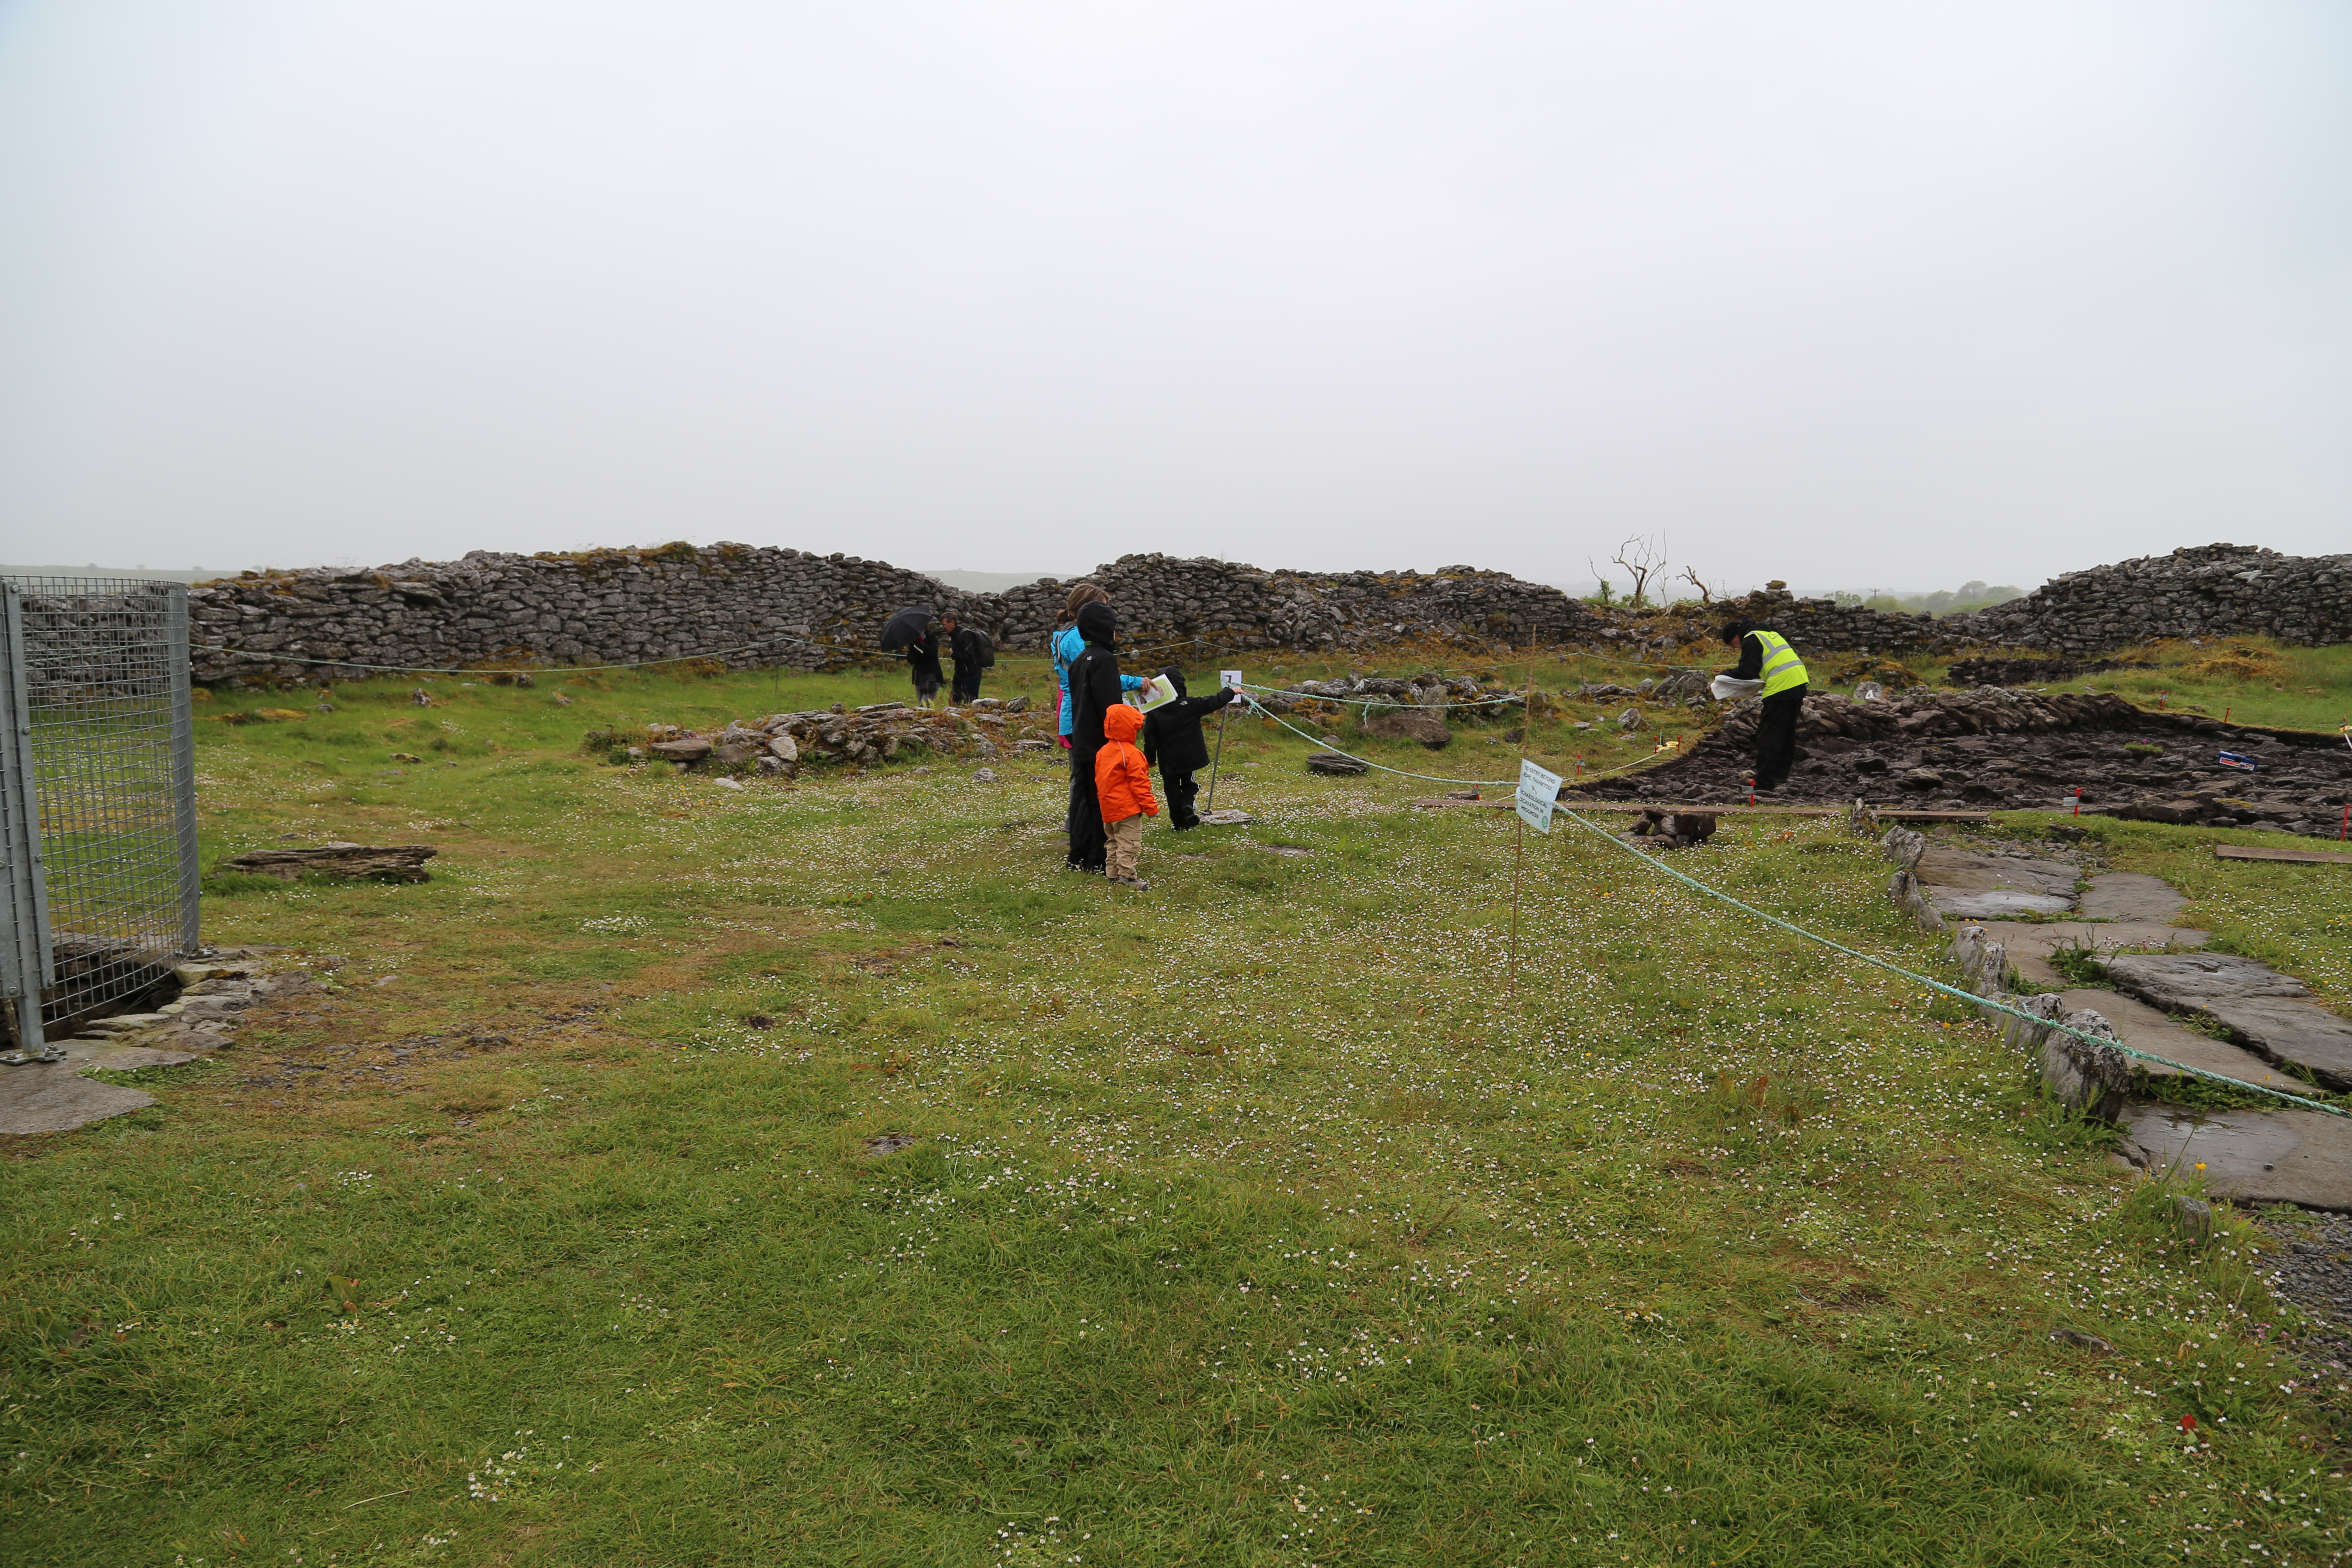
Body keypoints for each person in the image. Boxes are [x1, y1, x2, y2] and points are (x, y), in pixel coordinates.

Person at [1064, 600, 1129, 872]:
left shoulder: (1080, 660)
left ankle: (1077, 855)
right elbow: (1110, 707)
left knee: (1086, 802)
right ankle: (1098, 859)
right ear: (1105, 629)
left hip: (1082, 739)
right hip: (1101, 743)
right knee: (1102, 802)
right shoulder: (1104, 659)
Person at [1139, 666, 1240, 830]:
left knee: (1171, 790)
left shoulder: (1154, 712)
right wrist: (1231, 692)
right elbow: (1213, 701)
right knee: (1190, 784)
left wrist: (1150, 759)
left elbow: (1150, 738)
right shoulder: (1190, 704)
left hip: (1168, 760)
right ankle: (1187, 804)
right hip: (1190, 756)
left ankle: (1179, 824)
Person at [1718, 618, 1810, 791]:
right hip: (1798, 682)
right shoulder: (1770, 634)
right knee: (1786, 732)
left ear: (1736, 636)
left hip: (1782, 687)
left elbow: (1747, 672)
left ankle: (1763, 782)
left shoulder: (1751, 638)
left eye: (1731, 643)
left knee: (1768, 734)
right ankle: (1779, 775)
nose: (1733, 647)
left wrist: (1723, 677)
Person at [1094, 702, 1159, 888]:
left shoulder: (1103, 752)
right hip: (1127, 809)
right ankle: (1128, 877)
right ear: (1129, 727)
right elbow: (1140, 784)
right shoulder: (1131, 753)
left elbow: (1099, 780)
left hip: (1108, 809)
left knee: (1113, 842)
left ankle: (1112, 874)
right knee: (1129, 844)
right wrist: (1151, 808)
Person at [943, 611, 989, 705]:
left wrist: (954, 654)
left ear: (952, 623)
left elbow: (970, 656)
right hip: (960, 673)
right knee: (955, 702)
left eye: (945, 625)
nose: (943, 628)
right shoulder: (954, 636)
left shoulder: (965, 634)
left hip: (971, 674)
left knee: (970, 703)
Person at [904, 619, 944, 708]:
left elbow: (933, 654)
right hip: (919, 676)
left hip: (932, 676)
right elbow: (910, 660)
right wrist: (915, 649)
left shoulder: (931, 638)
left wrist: (920, 644)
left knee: (924, 705)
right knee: (921, 705)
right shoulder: (913, 642)